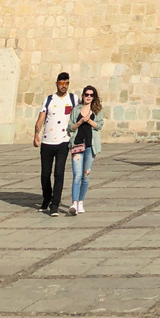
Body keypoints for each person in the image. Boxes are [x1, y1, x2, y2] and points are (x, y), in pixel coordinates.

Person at [34, 72, 76, 217]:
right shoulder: (49, 100)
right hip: (47, 141)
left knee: (59, 173)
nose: (64, 86)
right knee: (45, 174)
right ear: (57, 83)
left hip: (64, 141)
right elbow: (41, 118)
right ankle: (46, 198)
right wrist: (36, 134)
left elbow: (80, 114)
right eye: (61, 83)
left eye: (66, 83)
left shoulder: (73, 99)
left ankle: (55, 205)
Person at [66, 84, 103, 215]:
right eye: (86, 95)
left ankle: (81, 201)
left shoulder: (97, 110)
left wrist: (89, 121)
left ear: (94, 97)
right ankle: (74, 203)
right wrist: (81, 121)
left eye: (91, 95)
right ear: (82, 96)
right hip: (77, 145)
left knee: (86, 175)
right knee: (77, 175)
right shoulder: (76, 110)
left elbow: (99, 125)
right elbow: (70, 127)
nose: (88, 97)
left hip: (90, 146)